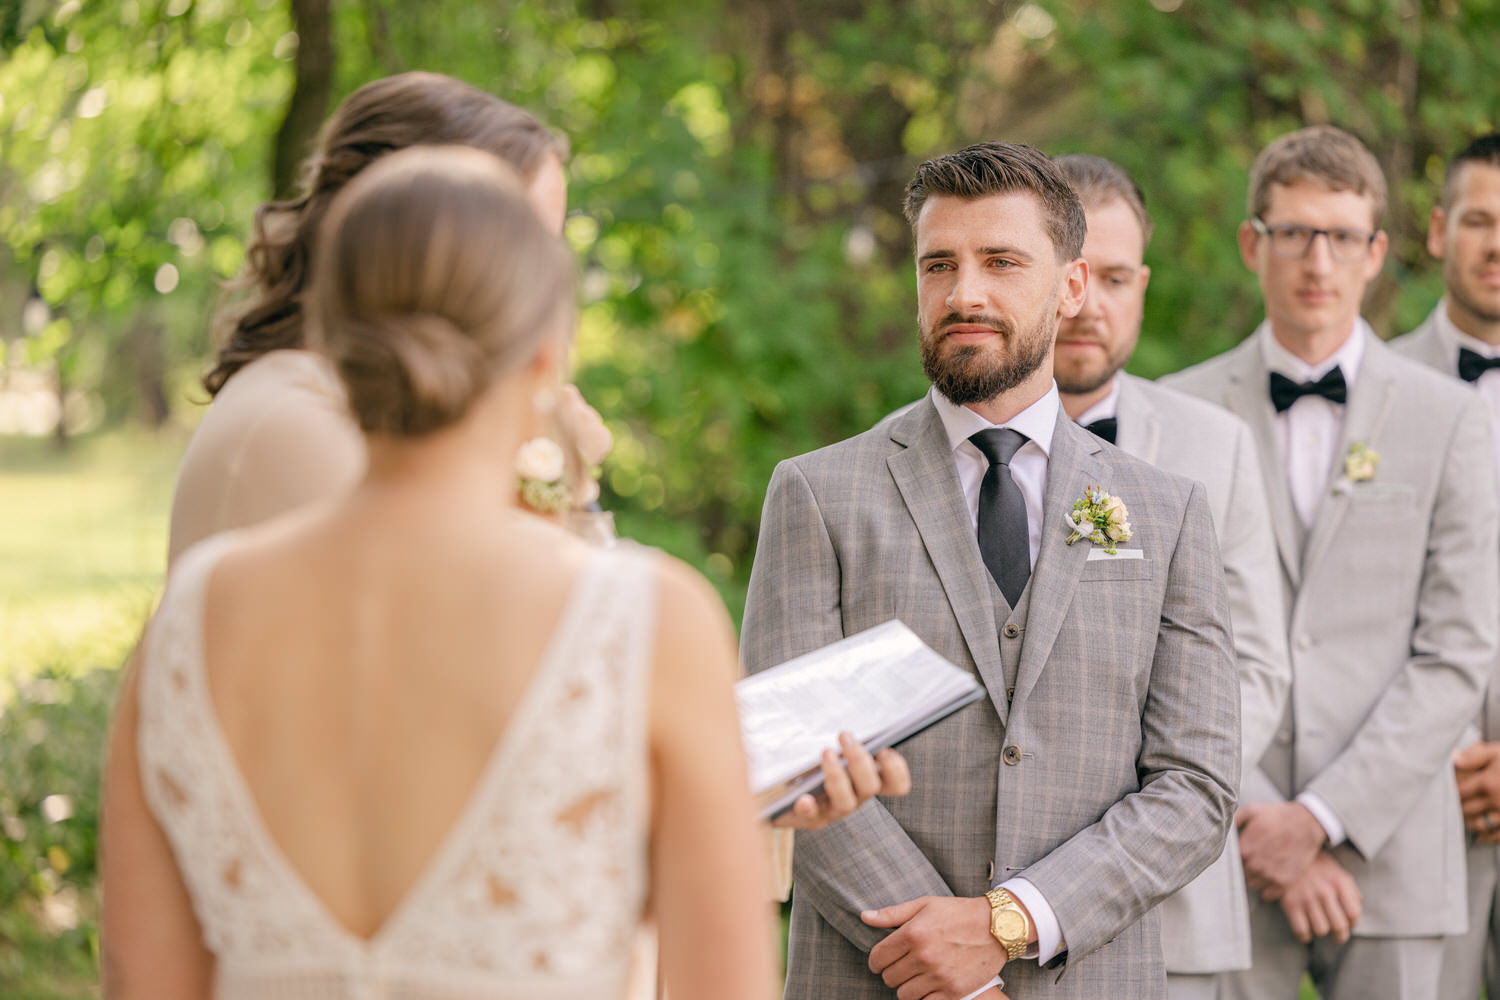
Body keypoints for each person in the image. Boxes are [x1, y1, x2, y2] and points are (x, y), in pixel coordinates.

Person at [101, 146, 783, 998]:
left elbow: (145, 985)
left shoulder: (189, 622)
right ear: (543, 352)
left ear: (333, 347)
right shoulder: (650, 621)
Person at [164, 69, 905, 833]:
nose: (542, 285)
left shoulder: (362, 418)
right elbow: (490, 723)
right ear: (407, 224)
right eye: (524, 241)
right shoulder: (304, 429)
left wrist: (732, 784)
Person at [741, 140, 1240, 1000]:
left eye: (1001, 262)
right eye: (940, 264)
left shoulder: (1168, 511)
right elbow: (788, 765)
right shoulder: (816, 494)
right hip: (876, 977)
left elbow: (1196, 785)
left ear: (1072, 287)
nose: (964, 292)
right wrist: (944, 966)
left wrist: (1010, 922)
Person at [1165, 125, 1500, 1000]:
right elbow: (1164, 653)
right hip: (1223, 847)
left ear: (1378, 251)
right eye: (1294, 233)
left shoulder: (1452, 418)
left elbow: (1457, 652)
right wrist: (1256, 812)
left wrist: (1320, 817)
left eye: (1343, 236)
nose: (1319, 260)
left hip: (1395, 849)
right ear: (1253, 244)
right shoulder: (1177, 413)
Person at [1051, 152, 1291, 1000]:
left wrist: (1154, 813)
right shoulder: (934, 451)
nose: (1092, 306)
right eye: (1073, 277)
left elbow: (1257, 667)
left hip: (1171, 913)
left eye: (1116, 277)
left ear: (1143, 284)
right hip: (982, 904)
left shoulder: (1214, 446)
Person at [1387, 131, 1500, 1000]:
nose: (1497, 246)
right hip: (1425, 796)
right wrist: (1445, 750)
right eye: (1479, 221)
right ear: (1437, 231)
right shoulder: (1373, 393)